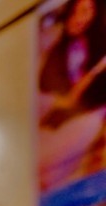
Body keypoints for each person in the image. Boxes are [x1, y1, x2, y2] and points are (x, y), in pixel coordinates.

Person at [41, 0, 106, 128]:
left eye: (87, 11)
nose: (79, 18)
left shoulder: (89, 40)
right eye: (75, 12)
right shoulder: (58, 53)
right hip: (71, 113)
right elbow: (69, 99)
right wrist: (97, 69)